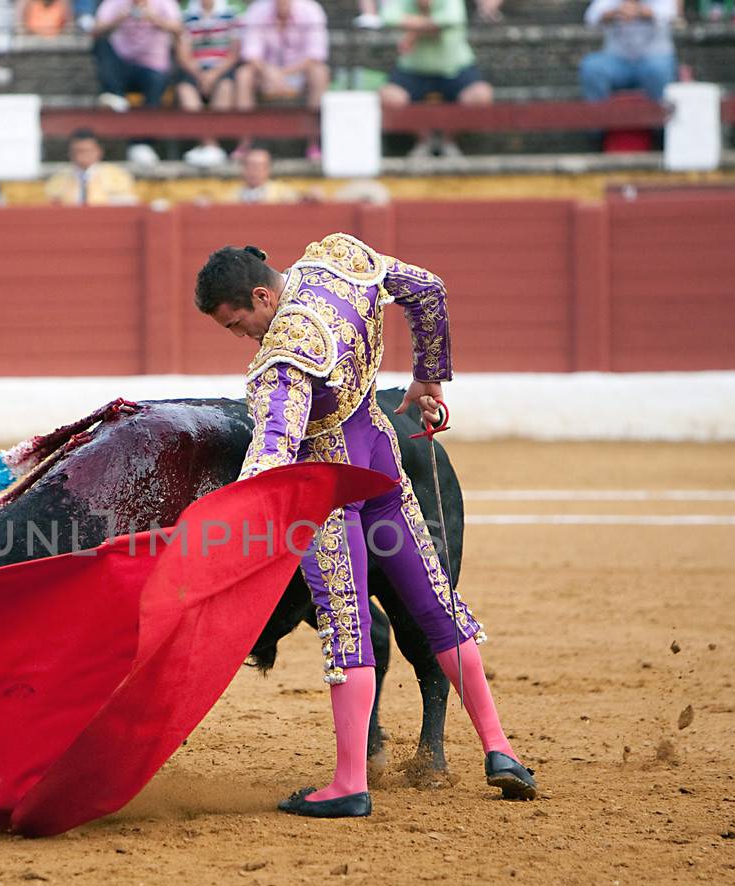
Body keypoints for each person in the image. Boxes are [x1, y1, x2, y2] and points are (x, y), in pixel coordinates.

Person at [194, 236, 537, 816]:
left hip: (330, 488)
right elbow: (427, 291)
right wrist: (430, 377)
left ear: (260, 296)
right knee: (439, 608)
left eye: (238, 323)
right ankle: (500, 750)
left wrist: (226, 518)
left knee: (346, 625)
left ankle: (350, 783)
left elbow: (275, 451)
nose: (242, 336)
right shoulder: (338, 259)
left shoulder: (284, 354)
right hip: (380, 456)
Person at [379, 0, 493, 160]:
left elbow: (449, 20)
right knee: (388, 97)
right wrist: (429, 27)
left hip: (455, 69)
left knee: (481, 95)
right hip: (412, 70)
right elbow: (387, 16)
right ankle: (425, 141)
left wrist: (412, 32)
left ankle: (446, 141)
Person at [234, 0, 329, 161]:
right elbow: (250, 54)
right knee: (244, 74)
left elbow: (316, 55)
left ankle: (313, 144)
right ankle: (245, 143)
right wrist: (269, 72)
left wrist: (283, 74)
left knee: (320, 73)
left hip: (300, 72)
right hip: (265, 73)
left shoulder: (311, 10)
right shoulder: (257, 10)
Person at [91, 0, 182, 164]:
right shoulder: (115, 2)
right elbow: (95, 30)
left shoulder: (164, 3)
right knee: (101, 44)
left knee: (156, 82)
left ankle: (142, 143)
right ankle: (115, 95)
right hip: (122, 66)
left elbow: (179, 29)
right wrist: (119, 19)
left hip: (153, 67)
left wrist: (154, 19)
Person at [176, 0, 241, 167]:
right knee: (185, 89)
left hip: (221, 68)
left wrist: (213, 74)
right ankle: (209, 145)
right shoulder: (186, 16)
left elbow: (234, 53)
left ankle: (208, 146)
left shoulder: (230, 14)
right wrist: (200, 74)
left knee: (226, 87)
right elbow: (183, 54)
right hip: (195, 69)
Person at [579, 0, 677, 105]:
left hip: (654, 58)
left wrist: (639, 12)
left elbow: (671, 14)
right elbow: (591, 17)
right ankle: (599, 117)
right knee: (592, 67)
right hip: (617, 61)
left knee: (657, 70)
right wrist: (616, 12)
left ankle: (660, 116)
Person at [44, 127, 139, 204]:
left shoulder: (117, 176)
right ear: (70, 153)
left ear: (99, 152)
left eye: (87, 151)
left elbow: (129, 203)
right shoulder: (58, 179)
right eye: (77, 151)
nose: (82, 155)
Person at [224, 145, 299, 202]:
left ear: (268, 169)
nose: (254, 171)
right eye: (250, 166)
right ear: (243, 168)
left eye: (259, 166)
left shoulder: (283, 193)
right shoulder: (231, 195)